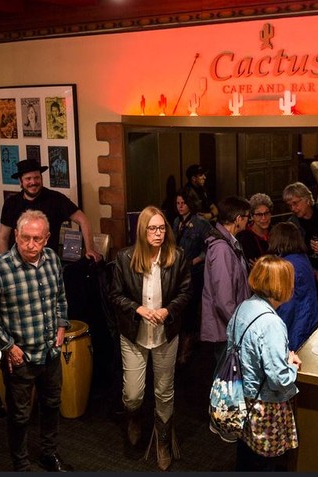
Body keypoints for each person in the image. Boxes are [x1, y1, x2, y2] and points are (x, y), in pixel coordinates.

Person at [0, 210, 74, 472]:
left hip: (50, 352)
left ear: (47, 239)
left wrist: (62, 325)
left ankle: (48, 453)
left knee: (52, 406)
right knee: (20, 415)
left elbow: (60, 298)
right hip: (20, 357)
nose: (31, 245)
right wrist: (8, 346)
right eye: (25, 238)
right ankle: (20, 464)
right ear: (16, 236)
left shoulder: (52, 259)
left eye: (37, 239)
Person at [109, 206, 190, 470]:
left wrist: (168, 310)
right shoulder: (125, 258)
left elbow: (186, 293)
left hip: (166, 334)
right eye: (152, 228)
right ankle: (134, 417)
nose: (158, 233)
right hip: (135, 335)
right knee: (133, 395)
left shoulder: (177, 257)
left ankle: (163, 441)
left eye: (162, 228)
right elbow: (116, 295)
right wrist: (138, 309)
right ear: (142, 231)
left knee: (164, 392)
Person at [227, 255, 301, 471]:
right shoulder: (271, 323)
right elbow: (279, 378)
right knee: (264, 463)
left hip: (241, 397)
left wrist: (282, 353)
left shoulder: (245, 307)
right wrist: (293, 365)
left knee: (245, 457)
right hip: (263, 405)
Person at [0, 158, 101, 262]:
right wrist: (5, 264)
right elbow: (3, 238)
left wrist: (90, 249)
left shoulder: (56, 199)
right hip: (18, 263)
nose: (33, 182)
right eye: (28, 179)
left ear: (41, 178)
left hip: (48, 264)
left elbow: (83, 220)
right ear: (21, 182)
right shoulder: (11, 203)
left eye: (36, 178)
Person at [200, 196, 252, 364]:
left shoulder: (228, 244)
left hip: (230, 326)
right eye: (247, 217)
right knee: (227, 382)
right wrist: (240, 327)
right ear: (238, 219)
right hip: (227, 331)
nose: (248, 221)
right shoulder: (222, 249)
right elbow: (223, 299)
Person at [267, 222, 318, 351]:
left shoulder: (287, 266)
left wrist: (276, 328)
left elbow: (287, 305)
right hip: (310, 316)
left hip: (297, 324)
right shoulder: (301, 258)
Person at [171, 188, 210, 365]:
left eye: (183, 203)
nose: (180, 207)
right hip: (178, 272)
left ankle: (189, 345)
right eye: (178, 203)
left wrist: (194, 261)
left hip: (195, 272)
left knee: (191, 308)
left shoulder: (200, 223)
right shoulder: (176, 222)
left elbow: (209, 247)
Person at [282, 181, 318, 273]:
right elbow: (294, 257)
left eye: (295, 203)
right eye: (289, 205)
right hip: (310, 271)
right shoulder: (291, 224)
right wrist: (313, 272)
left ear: (307, 199)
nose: (293, 209)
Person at [236, 192, 273, 268]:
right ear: (252, 216)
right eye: (259, 214)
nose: (264, 218)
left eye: (266, 213)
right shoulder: (244, 238)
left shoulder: (276, 232)